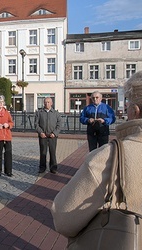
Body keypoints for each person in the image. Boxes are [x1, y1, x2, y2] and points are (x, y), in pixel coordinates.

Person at [51, 71, 142, 239]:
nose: (95, 100)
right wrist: (89, 121)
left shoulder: (109, 155)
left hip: (103, 133)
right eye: (93, 98)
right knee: (93, 151)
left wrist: (104, 121)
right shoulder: (88, 108)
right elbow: (82, 118)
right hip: (91, 132)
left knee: (99, 156)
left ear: (135, 111)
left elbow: (63, 218)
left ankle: (91, 179)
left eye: (97, 98)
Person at [34, 97, 61, 174]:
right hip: (43, 136)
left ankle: (53, 167)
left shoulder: (56, 113)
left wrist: (55, 133)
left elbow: (59, 125)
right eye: (45, 102)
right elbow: (36, 124)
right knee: (43, 152)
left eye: (48, 102)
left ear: (52, 103)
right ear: (43, 103)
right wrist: (40, 132)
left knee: (52, 152)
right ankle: (42, 167)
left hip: (52, 136)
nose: (47, 104)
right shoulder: (39, 113)